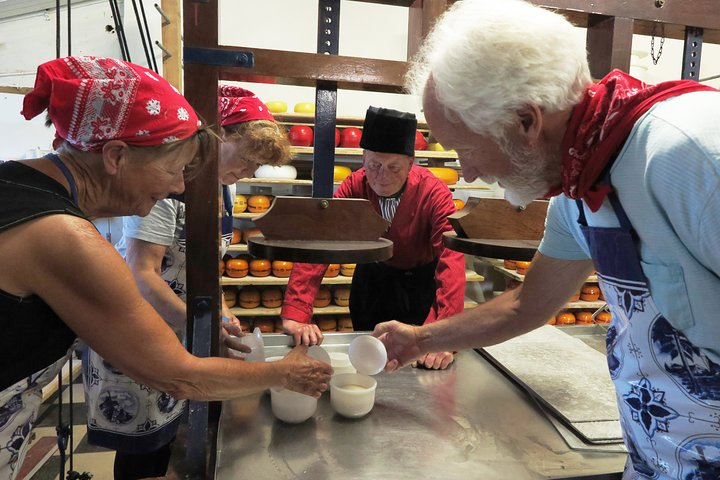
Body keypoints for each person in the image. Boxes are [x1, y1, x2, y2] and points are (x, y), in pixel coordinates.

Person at [372, 1, 720, 478]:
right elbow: (527, 305)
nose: (467, 170)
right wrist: (420, 339)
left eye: (466, 149)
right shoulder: (578, 189)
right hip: (658, 461)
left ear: (527, 121)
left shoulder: (691, 155)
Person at [0, 56, 331, 480]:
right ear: (116, 156)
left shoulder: (17, 185)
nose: (179, 185)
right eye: (175, 169)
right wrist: (281, 375)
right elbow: (179, 376)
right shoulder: (59, 234)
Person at [81, 85, 291, 479]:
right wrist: (200, 327)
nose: (248, 172)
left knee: (175, 440)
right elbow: (142, 273)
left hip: (185, 331)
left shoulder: (223, 189)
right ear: (218, 136)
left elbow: (207, 265)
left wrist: (223, 312)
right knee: (146, 449)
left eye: (255, 166)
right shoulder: (166, 189)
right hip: (141, 334)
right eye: (246, 159)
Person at [282, 106, 466, 370]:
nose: (382, 177)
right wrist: (297, 311)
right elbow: (322, 239)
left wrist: (445, 335)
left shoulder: (433, 192)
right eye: (375, 166)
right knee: (367, 359)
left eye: (394, 167)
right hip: (371, 284)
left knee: (418, 365)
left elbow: (451, 257)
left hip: (418, 288)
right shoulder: (354, 186)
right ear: (363, 158)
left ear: (411, 163)